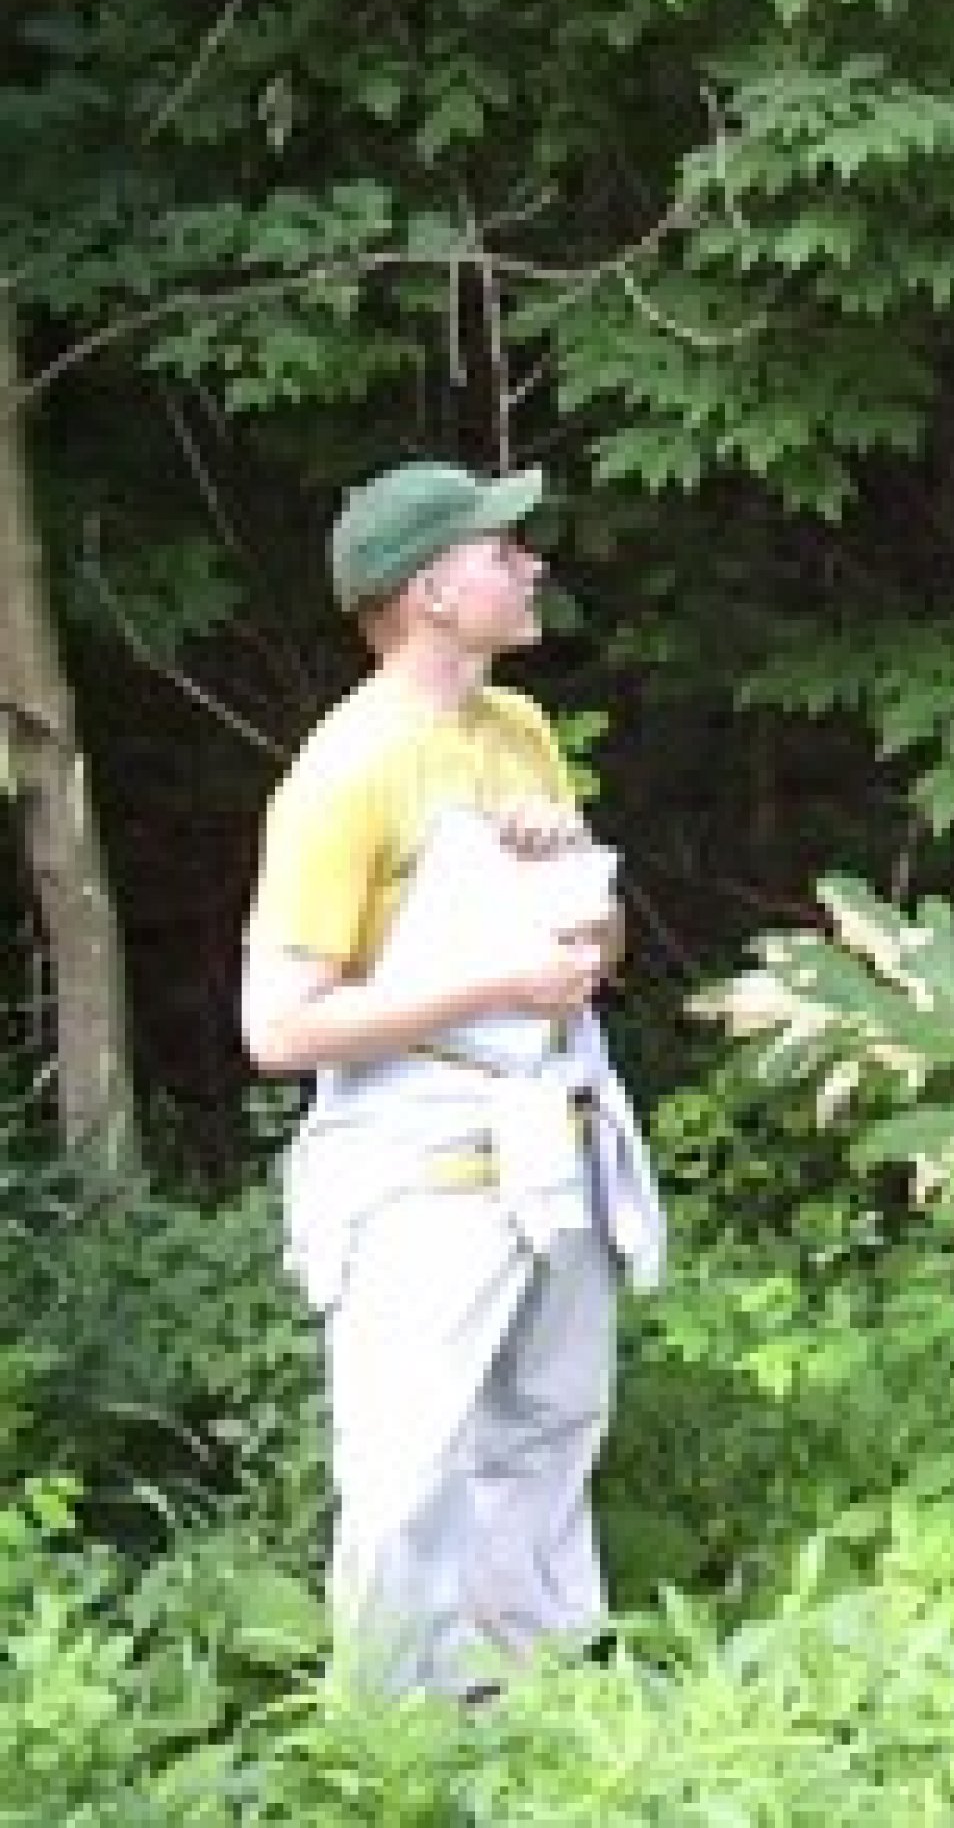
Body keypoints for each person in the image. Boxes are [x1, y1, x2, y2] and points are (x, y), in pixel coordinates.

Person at [241, 457, 663, 1702]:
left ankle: (530, 1708)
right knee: (409, 1472)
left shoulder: (519, 731)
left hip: (549, 1141)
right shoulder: (344, 772)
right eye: (501, 549)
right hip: (418, 1177)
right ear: (430, 588)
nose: (530, 564)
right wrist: (491, 986)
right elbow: (279, 1025)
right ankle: (387, 1751)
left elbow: (596, 946)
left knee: (548, 1430)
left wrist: (577, 893)